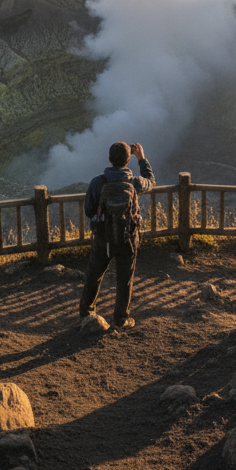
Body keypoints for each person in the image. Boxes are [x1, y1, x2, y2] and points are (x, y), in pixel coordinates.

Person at [78, 141, 155, 330]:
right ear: (128, 160)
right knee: (124, 278)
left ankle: (87, 314)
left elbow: (89, 210)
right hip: (128, 238)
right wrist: (142, 158)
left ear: (109, 159)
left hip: (103, 238)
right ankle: (121, 319)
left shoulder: (98, 182)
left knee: (94, 274)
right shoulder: (134, 182)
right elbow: (151, 182)